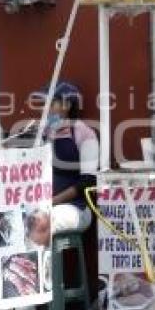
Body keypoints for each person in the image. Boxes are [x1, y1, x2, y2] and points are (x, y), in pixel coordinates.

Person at [32, 81, 99, 234]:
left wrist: (51, 202)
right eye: (43, 103)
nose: (44, 108)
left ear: (67, 105)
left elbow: (87, 182)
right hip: (40, 204)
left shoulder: (84, 133)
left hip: (76, 208)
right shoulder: (40, 135)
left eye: (50, 103)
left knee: (40, 221)